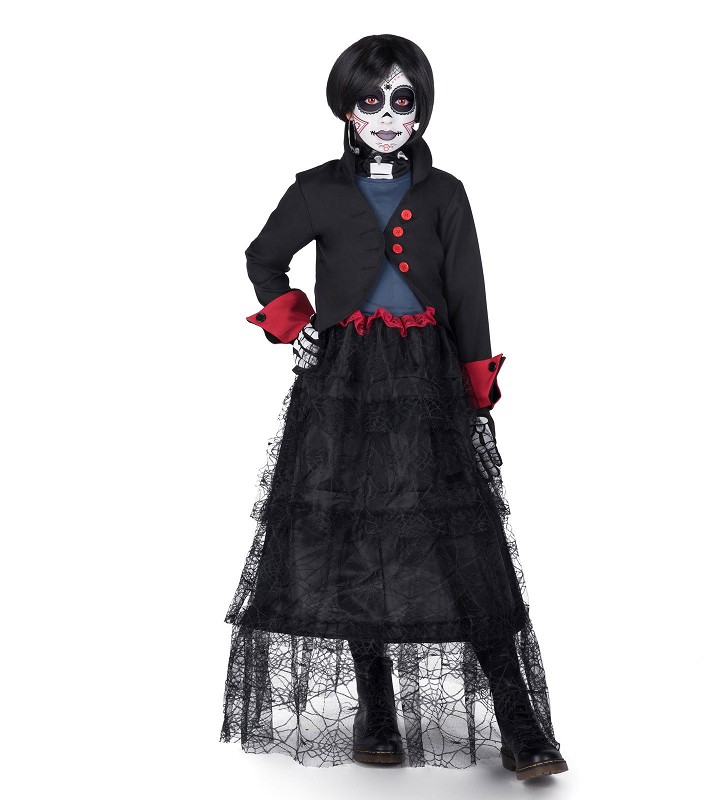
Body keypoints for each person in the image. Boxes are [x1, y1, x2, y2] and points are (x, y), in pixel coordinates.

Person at [220, 33, 568, 781]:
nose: (385, 115)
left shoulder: (445, 193)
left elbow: (469, 292)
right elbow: (263, 257)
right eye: (370, 101)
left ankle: (520, 721)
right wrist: (292, 320)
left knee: (463, 541)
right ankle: (375, 709)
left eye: (401, 100)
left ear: (420, 108)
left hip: (427, 379)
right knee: (355, 535)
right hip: (344, 380)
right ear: (347, 109)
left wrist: (475, 385)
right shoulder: (316, 189)